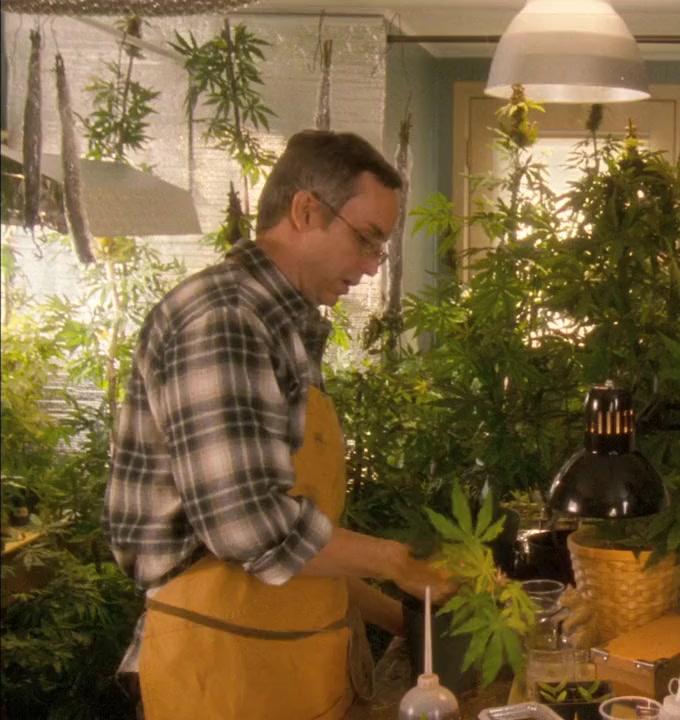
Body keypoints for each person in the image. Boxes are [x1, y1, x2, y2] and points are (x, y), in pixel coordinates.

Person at [103, 130, 451, 719]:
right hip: (220, 673)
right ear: (306, 210)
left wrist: (404, 618)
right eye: (366, 239)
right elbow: (249, 528)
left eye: (380, 249)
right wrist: (395, 561)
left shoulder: (283, 327)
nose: (372, 266)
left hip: (288, 663)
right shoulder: (224, 320)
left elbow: (295, 543)